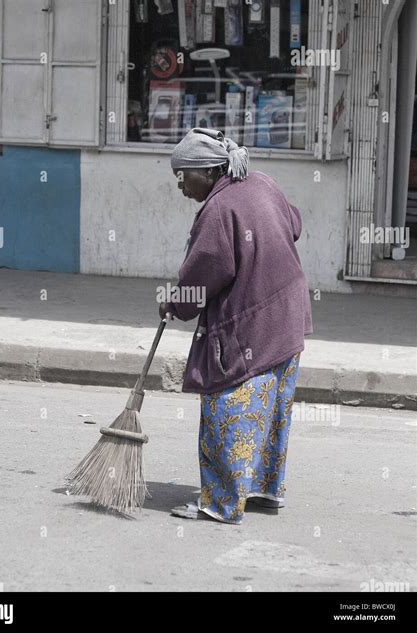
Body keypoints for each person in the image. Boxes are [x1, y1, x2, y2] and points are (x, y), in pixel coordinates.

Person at [159, 127, 312, 525]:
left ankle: (222, 504)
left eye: (183, 174)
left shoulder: (218, 209)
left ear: (209, 171)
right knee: (272, 406)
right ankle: (263, 490)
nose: (180, 185)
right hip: (288, 314)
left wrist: (174, 303)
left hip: (255, 322)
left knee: (224, 406)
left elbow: (205, 273)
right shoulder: (263, 183)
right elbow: (294, 223)